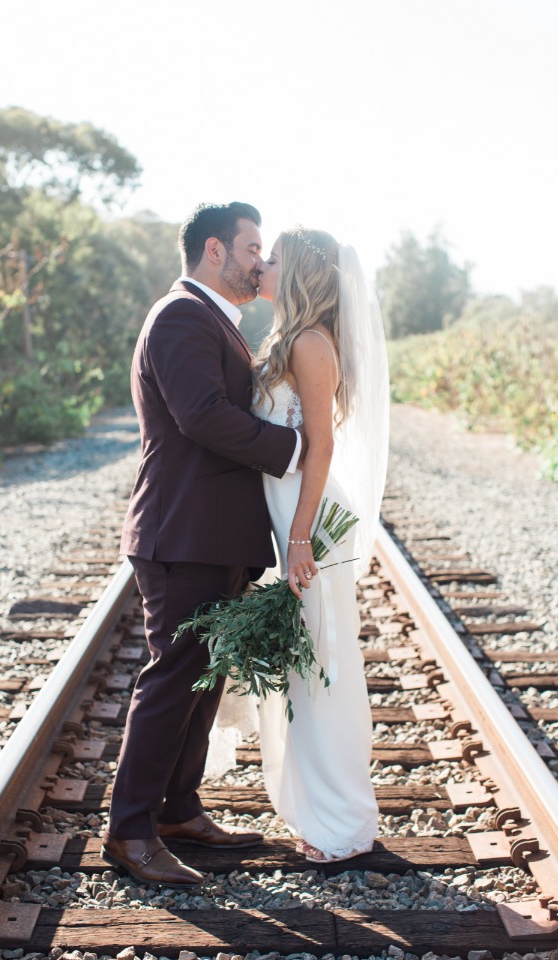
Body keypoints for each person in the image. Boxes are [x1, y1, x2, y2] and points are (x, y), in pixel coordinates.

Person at [102, 202, 302, 887]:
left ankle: (178, 810)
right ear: (215, 250)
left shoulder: (212, 318)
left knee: (202, 677)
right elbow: (202, 416)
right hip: (182, 530)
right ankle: (129, 830)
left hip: (210, 532)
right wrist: (297, 449)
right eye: (252, 246)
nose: (260, 259)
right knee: (171, 677)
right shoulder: (181, 315)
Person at [252, 226, 389, 863]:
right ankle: (318, 809)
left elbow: (321, 445)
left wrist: (300, 536)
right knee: (302, 671)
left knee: (322, 670)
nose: (262, 265)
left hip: (313, 526)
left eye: (272, 258)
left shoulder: (310, 343)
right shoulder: (289, 338)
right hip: (292, 521)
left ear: (299, 270)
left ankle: (342, 824)